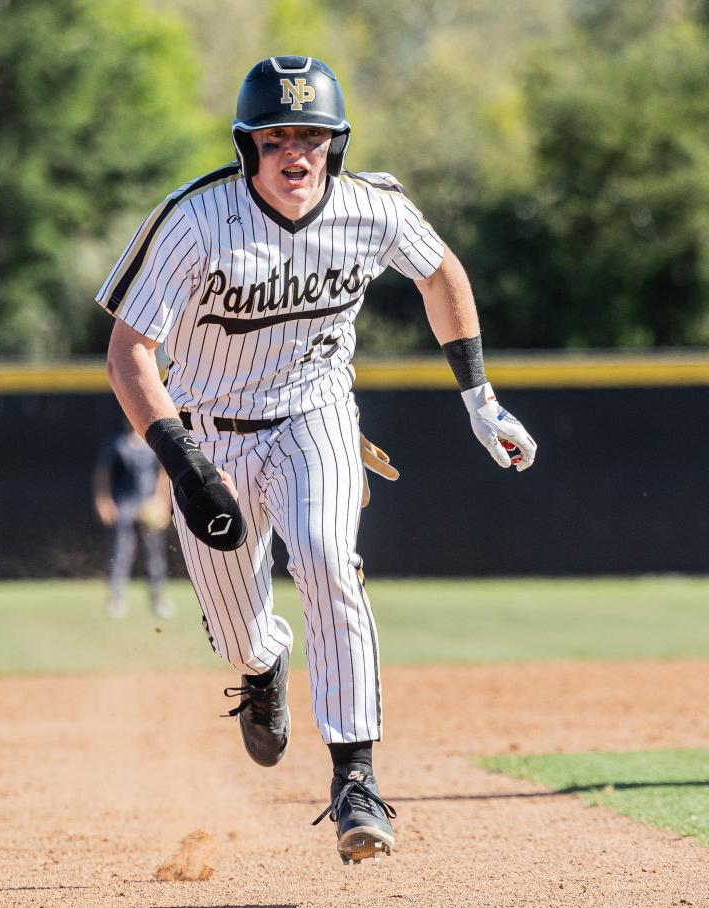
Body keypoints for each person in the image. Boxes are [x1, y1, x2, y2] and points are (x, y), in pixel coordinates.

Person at [96, 56, 536, 864]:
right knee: (237, 631)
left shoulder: (371, 209)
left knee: (332, 561)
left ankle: (356, 779)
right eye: (275, 138)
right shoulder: (195, 220)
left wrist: (481, 399)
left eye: (313, 136)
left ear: (336, 144)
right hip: (210, 429)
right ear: (246, 148)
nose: (295, 153)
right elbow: (129, 351)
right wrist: (185, 464)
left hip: (316, 413)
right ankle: (263, 663)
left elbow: (441, 271)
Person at [92, 421, 174, 619]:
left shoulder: (152, 445)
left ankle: (158, 599)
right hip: (125, 503)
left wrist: (163, 502)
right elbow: (103, 475)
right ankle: (116, 599)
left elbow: (162, 474)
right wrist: (103, 501)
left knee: (155, 554)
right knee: (121, 552)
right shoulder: (117, 444)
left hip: (148, 503)